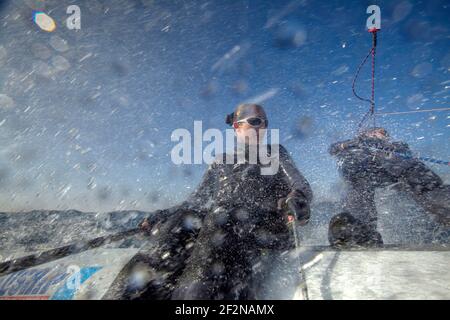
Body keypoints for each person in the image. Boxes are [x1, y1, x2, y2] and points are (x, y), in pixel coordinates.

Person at [104, 103, 313, 300]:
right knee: (183, 220)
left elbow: (300, 185)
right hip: (224, 224)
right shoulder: (221, 161)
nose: (262, 126)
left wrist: (297, 199)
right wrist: (163, 215)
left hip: (265, 227)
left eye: (264, 122)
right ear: (237, 127)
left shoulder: (275, 152)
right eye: (256, 121)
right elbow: (195, 201)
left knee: (222, 217)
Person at [328, 127, 449, 247]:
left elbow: (405, 153)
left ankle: (444, 203)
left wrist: (391, 149)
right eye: (375, 132)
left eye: (382, 133)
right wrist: (348, 144)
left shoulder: (394, 146)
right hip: (361, 170)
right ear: (366, 133)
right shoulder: (354, 144)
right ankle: (359, 230)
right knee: (359, 189)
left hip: (391, 169)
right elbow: (333, 149)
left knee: (414, 172)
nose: (380, 134)